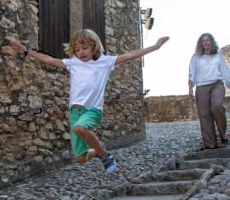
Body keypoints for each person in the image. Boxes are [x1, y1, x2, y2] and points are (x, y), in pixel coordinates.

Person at [11, 30, 170, 173]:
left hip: (92, 110)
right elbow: (50, 60)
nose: (81, 52)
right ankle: (98, 149)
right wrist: (27, 51)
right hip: (75, 112)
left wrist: (155, 47)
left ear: (94, 46)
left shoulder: (104, 62)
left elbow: (129, 55)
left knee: (79, 129)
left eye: (85, 48)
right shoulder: (73, 63)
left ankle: (104, 155)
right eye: (77, 49)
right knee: (80, 159)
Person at [188, 32, 230, 149]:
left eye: (207, 40)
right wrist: (190, 87)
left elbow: (226, 71)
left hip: (216, 84)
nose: (205, 42)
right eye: (203, 41)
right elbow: (191, 74)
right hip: (201, 87)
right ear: (201, 44)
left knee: (217, 106)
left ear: (212, 42)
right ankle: (210, 144)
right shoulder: (195, 57)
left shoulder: (218, 56)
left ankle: (223, 133)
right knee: (204, 115)